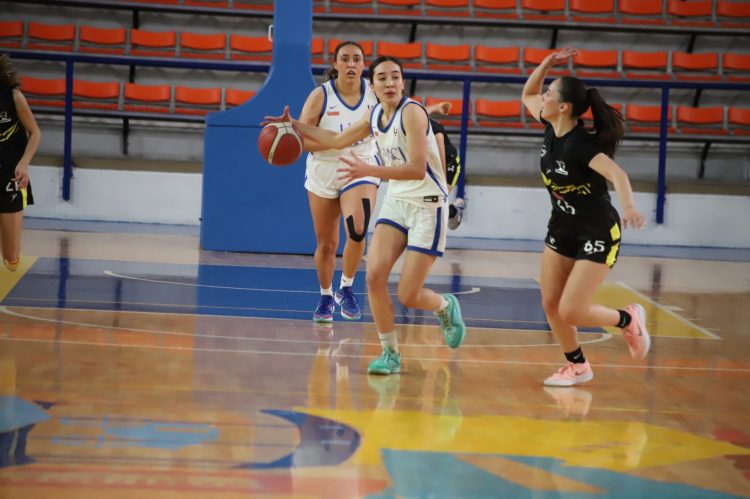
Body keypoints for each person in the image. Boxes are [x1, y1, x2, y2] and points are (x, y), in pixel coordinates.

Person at [264, 56, 466, 375]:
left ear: (403, 83)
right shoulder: (374, 116)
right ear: (372, 85)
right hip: (397, 202)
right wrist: (293, 126)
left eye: (395, 77)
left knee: (408, 294)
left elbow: (416, 169)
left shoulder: (413, 112)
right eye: (382, 78)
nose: (389, 83)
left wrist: (367, 170)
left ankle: (445, 306)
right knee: (373, 278)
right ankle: (390, 353)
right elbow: (335, 139)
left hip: (427, 204)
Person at [520, 47, 650, 387]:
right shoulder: (550, 125)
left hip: (597, 231)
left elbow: (618, 174)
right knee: (551, 304)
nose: (543, 96)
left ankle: (627, 319)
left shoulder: (580, 145)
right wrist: (546, 63)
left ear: (564, 107)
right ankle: (578, 366)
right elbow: (528, 93)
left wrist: (629, 207)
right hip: (562, 227)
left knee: (571, 310)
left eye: (550, 93)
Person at [297, 41, 379, 322]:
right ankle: (325, 296)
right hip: (324, 170)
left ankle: (346, 287)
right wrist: (335, 143)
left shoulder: (374, 92)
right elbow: (302, 140)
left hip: (360, 166)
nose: (351, 64)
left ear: (363, 64)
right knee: (327, 244)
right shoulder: (320, 96)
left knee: (357, 230)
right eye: (345, 59)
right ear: (335, 64)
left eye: (357, 59)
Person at [0, 54, 38, 272]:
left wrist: (24, 163)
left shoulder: (13, 96)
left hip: (10, 174)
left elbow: (35, 132)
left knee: (11, 258)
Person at [426, 107, 465, 230]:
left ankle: (453, 211)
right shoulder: (411, 117)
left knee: (437, 200)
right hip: (430, 163)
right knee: (428, 203)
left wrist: (441, 180)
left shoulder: (435, 129)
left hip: (449, 163)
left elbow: (441, 155)